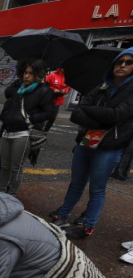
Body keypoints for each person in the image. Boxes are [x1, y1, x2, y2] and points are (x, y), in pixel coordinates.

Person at [51, 48, 133, 239]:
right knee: (76, 183)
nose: (122, 65)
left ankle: (87, 226)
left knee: (97, 188)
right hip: (87, 141)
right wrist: (102, 119)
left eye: (128, 62)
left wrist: (93, 113)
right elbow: (77, 112)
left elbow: (118, 115)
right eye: (119, 61)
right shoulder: (102, 86)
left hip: (109, 147)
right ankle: (62, 215)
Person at [0, 58, 55, 195]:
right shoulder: (19, 88)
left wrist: (33, 118)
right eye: (25, 72)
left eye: (30, 73)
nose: (26, 76)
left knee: (16, 167)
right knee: (4, 166)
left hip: (23, 133)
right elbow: (8, 95)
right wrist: (5, 116)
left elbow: (50, 113)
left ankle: (12, 193)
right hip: (8, 130)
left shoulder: (44, 91)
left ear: (37, 75)